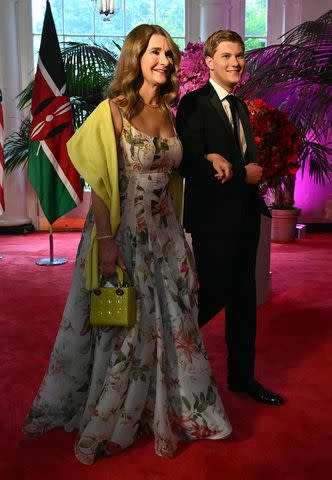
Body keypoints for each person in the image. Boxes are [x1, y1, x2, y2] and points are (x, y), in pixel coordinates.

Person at [23, 24, 231, 465]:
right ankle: (116, 413)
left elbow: (175, 168)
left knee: (173, 325)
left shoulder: (169, 113)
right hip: (123, 234)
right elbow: (101, 184)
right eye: (156, 52)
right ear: (136, 57)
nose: (165, 61)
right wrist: (105, 241)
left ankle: (168, 408)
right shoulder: (112, 111)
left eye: (170, 54)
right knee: (129, 329)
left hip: (166, 234)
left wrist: (208, 157)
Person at [176, 30, 284, 406]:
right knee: (216, 292)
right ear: (208, 61)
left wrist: (250, 176)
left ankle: (243, 378)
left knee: (243, 298)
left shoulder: (239, 107)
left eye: (239, 55)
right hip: (212, 219)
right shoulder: (192, 104)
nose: (235, 62)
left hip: (246, 215)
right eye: (226, 56)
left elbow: (242, 159)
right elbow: (188, 163)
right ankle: (170, 354)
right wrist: (241, 172)